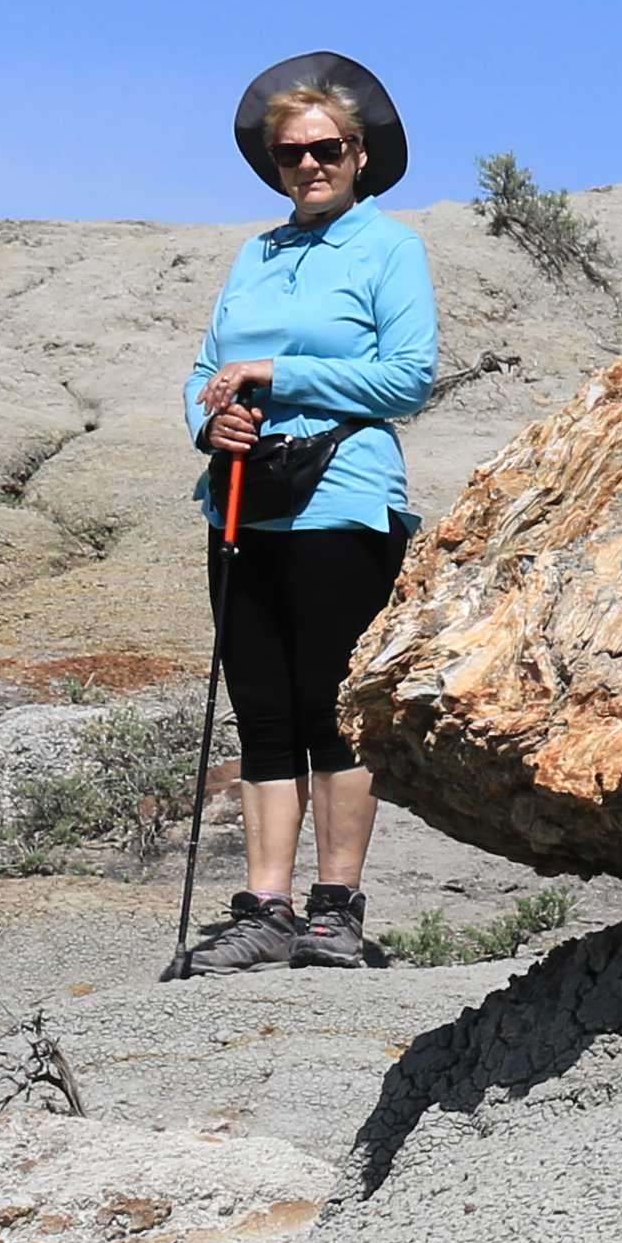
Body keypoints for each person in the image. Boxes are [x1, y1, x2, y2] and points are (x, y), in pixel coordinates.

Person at [175, 51, 438, 975]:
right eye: (291, 155)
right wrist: (214, 426)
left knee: (332, 707)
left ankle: (337, 907)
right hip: (243, 506)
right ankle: (265, 908)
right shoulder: (256, 254)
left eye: (327, 149)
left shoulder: (389, 247)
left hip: (344, 502)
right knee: (264, 711)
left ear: (360, 154)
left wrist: (280, 375)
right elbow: (203, 373)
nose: (309, 166)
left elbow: (410, 377)